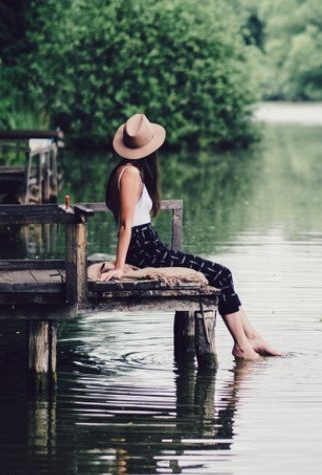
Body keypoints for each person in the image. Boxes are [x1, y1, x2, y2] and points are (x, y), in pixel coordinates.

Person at [100, 113, 280, 361]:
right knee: (222, 273)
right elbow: (125, 225)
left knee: (221, 274)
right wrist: (119, 267)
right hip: (144, 249)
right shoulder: (130, 174)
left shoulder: (129, 170)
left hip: (149, 245)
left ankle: (251, 337)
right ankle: (241, 345)